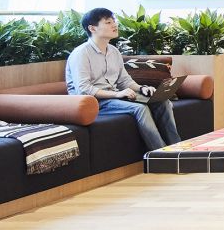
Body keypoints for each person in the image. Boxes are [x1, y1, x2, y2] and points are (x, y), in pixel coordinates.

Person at [65, 8, 181, 152]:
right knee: (140, 109)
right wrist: (117, 94)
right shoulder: (81, 53)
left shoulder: (114, 51)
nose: (114, 25)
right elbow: (84, 89)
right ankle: (161, 154)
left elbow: (124, 80)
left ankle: (177, 149)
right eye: (108, 22)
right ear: (92, 28)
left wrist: (142, 88)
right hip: (92, 102)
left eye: (114, 21)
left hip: (113, 97)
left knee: (162, 101)